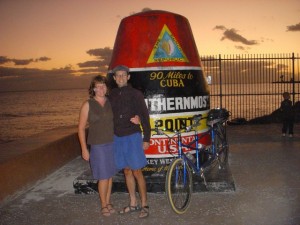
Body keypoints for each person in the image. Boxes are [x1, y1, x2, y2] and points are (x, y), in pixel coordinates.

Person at [78, 75, 140, 217]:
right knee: (103, 176)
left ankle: (108, 201)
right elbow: (81, 128)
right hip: (98, 145)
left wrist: (138, 118)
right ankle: (103, 205)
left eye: (103, 85)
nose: (101, 88)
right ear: (93, 89)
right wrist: (83, 148)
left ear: (107, 87)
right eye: (98, 86)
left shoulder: (110, 102)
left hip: (112, 143)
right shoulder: (88, 104)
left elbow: (125, 111)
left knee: (110, 174)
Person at [108, 65, 151, 219]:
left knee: (137, 171)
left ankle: (144, 204)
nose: (120, 78)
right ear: (114, 78)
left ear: (128, 77)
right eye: (117, 75)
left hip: (132, 136)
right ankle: (133, 203)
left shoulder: (136, 94)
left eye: (123, 75)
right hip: (117, 138)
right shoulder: (111, 95)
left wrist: (147, 138)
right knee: (126, 171)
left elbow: (144, 117)